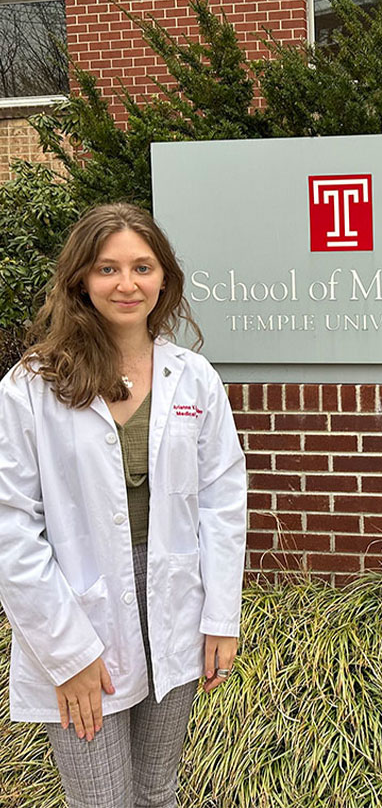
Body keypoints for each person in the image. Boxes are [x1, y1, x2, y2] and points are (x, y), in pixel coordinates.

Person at [0, 203, 247, 807]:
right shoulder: (32, 386)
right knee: (102, 800)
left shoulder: (194, 378)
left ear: (164, 277)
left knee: (158, 792)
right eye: (108, 268)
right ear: (81, 278)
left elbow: (222, 500)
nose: (127, 283)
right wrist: (68, 653)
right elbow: (10, 525)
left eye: (142, 266)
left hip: (174, 607)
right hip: (77, 613)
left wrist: (220, 616)